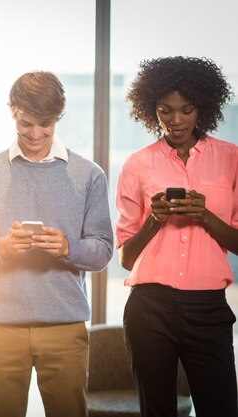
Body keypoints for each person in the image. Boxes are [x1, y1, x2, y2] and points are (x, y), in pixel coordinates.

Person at [0, 71, 114, 417]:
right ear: (12, 111)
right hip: (1, 328)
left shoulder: (89, 175)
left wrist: (66, 249)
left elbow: (104, 250)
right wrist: (2, 248)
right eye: (25, 123)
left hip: (64, 328)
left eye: (45, 124)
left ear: (58, 118)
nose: (34, 134)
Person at [116, 56, 238, 417]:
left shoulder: (231, 159)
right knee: (157, 411)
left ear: (202, 106)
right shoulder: (137, 164)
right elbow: (125, 258)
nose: (175, 120)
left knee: (222, 408)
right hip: (149, 308)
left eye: (186, 110)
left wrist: (203, 215)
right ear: (150, 108)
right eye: (165, 110)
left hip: (209, 308)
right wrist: (154, 220)